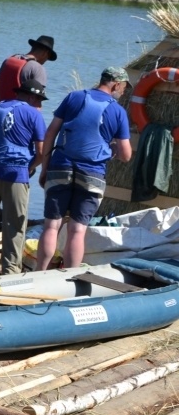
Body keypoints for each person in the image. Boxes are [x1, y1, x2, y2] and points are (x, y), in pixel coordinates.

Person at [36, 67, 132, 270]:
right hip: (92, 173)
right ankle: (69, 275)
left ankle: (40, 272)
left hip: (60, 166)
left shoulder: (74, 97)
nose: (122, 92)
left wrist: (45, 168)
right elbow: (126, 155)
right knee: (78, 229)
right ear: (115, 84)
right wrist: (112, 147)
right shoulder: (118, 111)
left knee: (52, 225)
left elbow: (51, 132)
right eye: (123, 88)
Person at [0, 80, 48, 278]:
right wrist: (30, 167)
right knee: (14, 224)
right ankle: (10, 271)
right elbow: (42, 152)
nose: (40, 105)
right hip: (15, 173)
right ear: (32, 97)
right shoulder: (33, 114)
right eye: (39, 100)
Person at [0, 35, 57, 108]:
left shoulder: (8, 61)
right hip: (19, 116)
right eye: (47, 57)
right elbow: (37, 102)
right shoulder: (38, 68)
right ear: (45, 53)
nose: (45, 61)